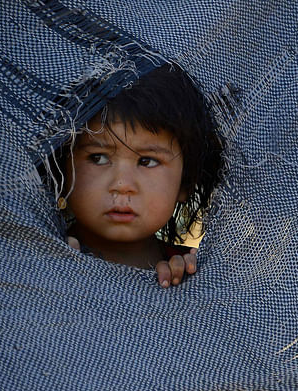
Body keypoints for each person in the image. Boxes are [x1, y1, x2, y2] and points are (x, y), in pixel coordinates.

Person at [55, 62, 222, 288]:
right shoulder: (30, 249)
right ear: (62, 171)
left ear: (185, 183)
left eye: (147, 161)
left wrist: (186, 285)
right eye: (98, 158)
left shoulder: (189, 270)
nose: (122, 185)